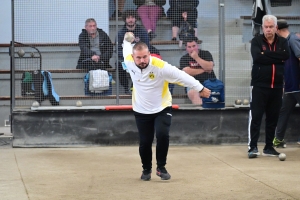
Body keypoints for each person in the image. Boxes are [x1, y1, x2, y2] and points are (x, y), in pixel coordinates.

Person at [122, 33, 211, 181]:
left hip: (162, 107)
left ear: (149, 54)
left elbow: (182, 76)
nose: (142, 60)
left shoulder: (160, 66)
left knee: (163, 135)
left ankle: (161, 167)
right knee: (145, 142)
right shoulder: (128, 60)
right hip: (141, 110)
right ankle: (146, 170)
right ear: (133, 56)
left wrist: (200, 88)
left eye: (145, 57)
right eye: (139, 58)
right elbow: (126, 45)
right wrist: (127, 38)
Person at [247, 15, 290, 159]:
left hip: (277, 86)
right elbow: (257, 57)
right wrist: (277, 56)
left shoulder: (283, 42)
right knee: (257, 117)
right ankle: (252, 147)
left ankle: (268, 147)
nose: (268, 29)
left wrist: (266, 54)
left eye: (271, 27)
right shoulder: (256, 41)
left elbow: (286, 56)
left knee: (273, 118)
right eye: (266, 27)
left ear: (276, 28)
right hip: (260, 86)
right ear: (263, 27)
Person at [273, 19, 300, 148]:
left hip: (298, 86)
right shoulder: (285, 42)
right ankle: (278, 139)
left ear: (277, 29)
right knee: (283, 112)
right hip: (290, 86)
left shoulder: (293, 39)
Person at [117, 10, 150, 94]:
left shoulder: (142, 32)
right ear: (125, 19)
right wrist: (127, 57)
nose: (130, 20)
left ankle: (134, 86)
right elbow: (117, 50)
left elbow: (147, 47)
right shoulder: (120, 33)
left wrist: (137, 57)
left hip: (140, 58)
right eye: (128, 18)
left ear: (136, 19)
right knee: (118, 64)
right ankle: (125, 88)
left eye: (132, 17)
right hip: (125, 59)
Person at [180, 36, 216, 105]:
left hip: (209, 82)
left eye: (194, 46)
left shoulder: (206, 54)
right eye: (189, 47)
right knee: (192, 93)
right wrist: (204, 69)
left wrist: (196, 58)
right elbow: (187, 72)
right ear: (186, 48)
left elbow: (210, 67)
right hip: (192, 85)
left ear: (198, 46)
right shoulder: (184, 58)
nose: (192, 49)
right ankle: (203, 114)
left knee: (213, 92)